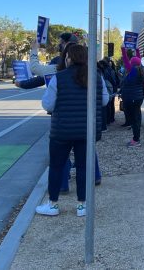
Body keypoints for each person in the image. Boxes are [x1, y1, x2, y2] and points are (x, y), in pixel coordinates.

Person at [35, 45, 108, 217]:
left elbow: (48, 104)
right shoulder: (96, 77)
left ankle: (53, 204)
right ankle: (82, 206)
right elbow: (104, 100)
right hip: (87, 131)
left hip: (62, 131)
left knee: (56, 167)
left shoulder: (58, 78)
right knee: (83, 168)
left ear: (68, 58)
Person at [120, 49, 144, 147]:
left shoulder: (132, 71)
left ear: (132, 63)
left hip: (131, 97)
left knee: (134, 119)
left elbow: (125, 59)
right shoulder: (141, 70)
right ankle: (136, 137)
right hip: (138, 97)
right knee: (137, 117)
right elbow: (138, 59)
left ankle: (136, 140)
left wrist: (123, 49)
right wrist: (137, 50)